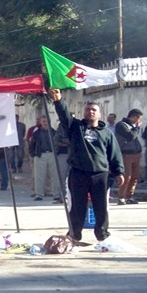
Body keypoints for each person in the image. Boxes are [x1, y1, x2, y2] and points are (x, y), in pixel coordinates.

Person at [50, 88, 124, 244]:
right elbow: (64, 115)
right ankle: (74, 235)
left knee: (101, 207)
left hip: (100, 175)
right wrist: (58, 100)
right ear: (83, 112)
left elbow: (114, 153)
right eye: (88, 109)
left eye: (94, 110)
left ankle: (102, 235)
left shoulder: (107, 133)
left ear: (99, 114)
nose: (90, 112)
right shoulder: (75, 127)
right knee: (77, 207)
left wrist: (119, 172)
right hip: (78, 173)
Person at [115, 108, 143, 204]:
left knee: (135, 177)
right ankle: (121, 197)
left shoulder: (133, 126)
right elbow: (130, 136)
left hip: (136, 153)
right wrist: (137, 128)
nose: (139, 121)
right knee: (127, 176)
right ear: (134, 117)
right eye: (138, 118)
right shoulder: (121, 125)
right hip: (126, 154)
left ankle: (130, 196)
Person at [28, 115, 60, 202]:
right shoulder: (36, 133)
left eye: (47, 121)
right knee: (39, 176)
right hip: (40, 155)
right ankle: (39, 194)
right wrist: (34, 154)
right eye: (43, 121)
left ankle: (56, 194)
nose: (45, 123)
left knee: (55, 176)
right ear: (40, 122)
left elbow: (58, 144)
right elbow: (31, 145)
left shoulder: (55, 132)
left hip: (52, 155)